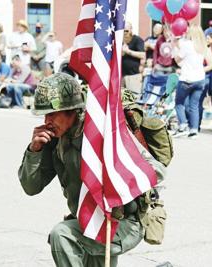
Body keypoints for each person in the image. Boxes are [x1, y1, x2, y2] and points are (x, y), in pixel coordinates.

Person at [18, 72, 166, 267]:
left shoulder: (103, 131)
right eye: (45, 114)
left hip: (121, 223)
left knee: (62, 235)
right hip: (88, 221)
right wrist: (34, 151)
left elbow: (155, 171)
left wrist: (116, 170)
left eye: (52, 114)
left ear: (72, 111)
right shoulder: (54, 140)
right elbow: (31, 187)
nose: (47, 120)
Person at [172, 25, 212, 139]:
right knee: (194, 105)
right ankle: (194, 130)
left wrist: (175, 49)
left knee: (179, 103)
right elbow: (211, 63)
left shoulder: (187, 45)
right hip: (200, 79)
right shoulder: (203, 46)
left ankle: (183, 125)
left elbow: (177, 60)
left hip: (187, 78)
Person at [121, 22, 145, 94]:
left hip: (133, 76)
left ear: (131, 30)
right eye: (123, 31)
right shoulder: (119, 41)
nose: (125, 33)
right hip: (121, 76)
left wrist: (128, 51)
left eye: (127, 31)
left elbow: (143, 55)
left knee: (134, 99)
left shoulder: (137, 40)